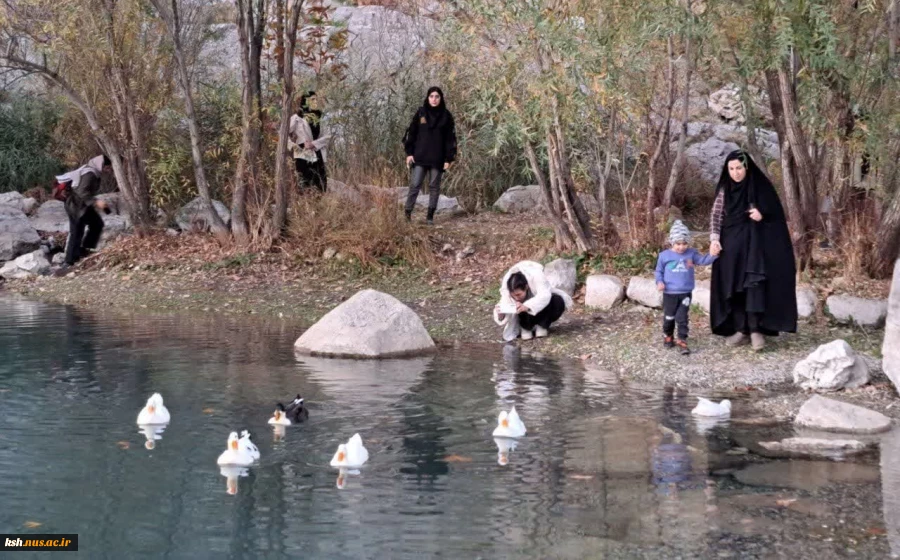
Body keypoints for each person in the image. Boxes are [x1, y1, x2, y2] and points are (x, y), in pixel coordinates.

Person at [709, 150, 797, 351]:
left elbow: (775, 213)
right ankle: (741, 329)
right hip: (731, 248)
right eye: (731, 169)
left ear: (746, 167)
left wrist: (762, 214)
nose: (735, 173)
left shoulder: (760, 187)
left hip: (756, 247)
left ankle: (756, 330)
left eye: (739, 168)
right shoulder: (725, 188)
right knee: (736, 287)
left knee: (754, 286)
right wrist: (714, 240)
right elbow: (716, 215)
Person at [654, 220, 717, 355]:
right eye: (678, 244)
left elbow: (702, 261)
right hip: (669, 293)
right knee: (669, 317)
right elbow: (658, 271)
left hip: (685, 293)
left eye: (684, 243)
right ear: (672, 242)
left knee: (682, 317)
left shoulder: (691, 253)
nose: (681, 247)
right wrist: (659, 282)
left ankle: (682, 339)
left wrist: (713, 255)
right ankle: (668, 336)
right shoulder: (664, 256)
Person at [402, 86, 457, 225]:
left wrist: (448, 159)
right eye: (431, 96)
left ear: (441, 98)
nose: (434, 99)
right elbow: (412, 133)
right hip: (420, 156)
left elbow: (450, 139)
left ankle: (430, 217)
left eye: (437, 96)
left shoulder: (446, 115)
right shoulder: (421, 113)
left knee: (434, 186)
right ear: (427, 97)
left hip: (437, 158)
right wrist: (409, 153)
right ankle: (407, 214)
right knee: (415, 184)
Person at [54, 155, 113, 269]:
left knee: (95, 225)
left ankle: (81, 253)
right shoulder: (89, 174)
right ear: (101, 165)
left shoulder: (93, 173)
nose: (109, 170)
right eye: (108, 168)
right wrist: (96, 202)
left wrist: (99, 205)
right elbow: (82, 193)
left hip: (82, 205)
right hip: (75, 206)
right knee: (77, 231)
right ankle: (69, 261)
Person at [493, 261, 574, 342]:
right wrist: (501, 314)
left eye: (518, 294)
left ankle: (542, 325)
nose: (516, 298)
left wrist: (527, 306)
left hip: (543, 310)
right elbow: (504, 303)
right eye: (513, 295)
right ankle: (525, 327)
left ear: (526, 287)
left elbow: (544, 295)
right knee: (517, 306)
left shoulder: (536, 276)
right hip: (523, 317)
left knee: (557, 301)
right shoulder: (507, 286)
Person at [289, 91, 330, 193]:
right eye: (312, 99)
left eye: (316, 99)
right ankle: (305, 207)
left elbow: (327, 136)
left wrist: (314, 144)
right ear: (305, 101)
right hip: (302, 153)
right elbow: (282, 133)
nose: (315, 101)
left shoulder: (320, 117)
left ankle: (318, 207)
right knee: (305, 183)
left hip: (317, 152)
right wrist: (295, 147)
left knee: (321, 184)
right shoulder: (297, 118)